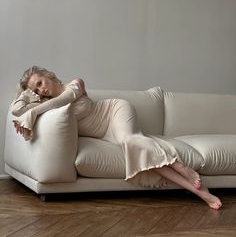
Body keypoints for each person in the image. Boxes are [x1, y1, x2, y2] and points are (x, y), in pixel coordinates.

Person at [12, 66, 222, 210]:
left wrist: (34, 111)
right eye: (36, 89)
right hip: (105, 134)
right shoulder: (46, 105)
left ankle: (181, 166)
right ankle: (203, 194)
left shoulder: (74, 85)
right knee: (146, 161)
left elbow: (64, 100)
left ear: (48, 74)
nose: (42, 89)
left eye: (40, 82)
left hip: (114, 112)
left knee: (130, 141)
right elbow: (16, 110)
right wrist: (27, 97)